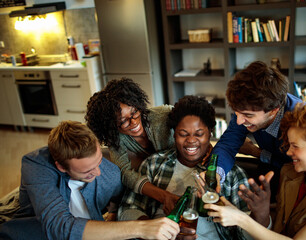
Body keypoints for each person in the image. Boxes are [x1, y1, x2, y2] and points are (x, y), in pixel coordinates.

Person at [0, 121, 179, 240]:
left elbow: (120, 198)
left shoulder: (110, 173)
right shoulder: (36, 165)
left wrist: (114, 213)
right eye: (87, 171)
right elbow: (58, 226)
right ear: (61, 167)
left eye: (99, 161)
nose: (98, 173)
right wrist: (141, 228)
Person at [117, 95, 264, 240]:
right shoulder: (154, 164)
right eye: (183, 134)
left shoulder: (232, 175)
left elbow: (247, 236)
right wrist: (153, 230)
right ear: (174, 134)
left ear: (210, 134)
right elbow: (127, 209)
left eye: (199, 134)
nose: (191, 141)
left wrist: (260, 215)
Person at [205, 104, 306, 239]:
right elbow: (280, 228)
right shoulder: (290, 173)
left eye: (296, 146)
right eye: (289, 145)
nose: (288, 152)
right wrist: (262, 212)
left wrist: (241, 219)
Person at [85, 78, 178, 214]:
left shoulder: (164, 115)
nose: (134, 122)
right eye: (123, 121)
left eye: (134, 112)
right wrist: (163, 196)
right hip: (156, 178)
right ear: (111, 126)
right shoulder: (116, 138)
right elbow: (124, 173)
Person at [212, 61, 302, 196]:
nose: (239, 121)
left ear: (273, 111)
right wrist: (215, 174)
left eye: (248, 115)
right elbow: (227, 144)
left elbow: (296, 168)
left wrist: (258, 153)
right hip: (269, 167)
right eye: (236, 112)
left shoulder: (301, 122)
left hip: (296, 179)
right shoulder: (245, 108)